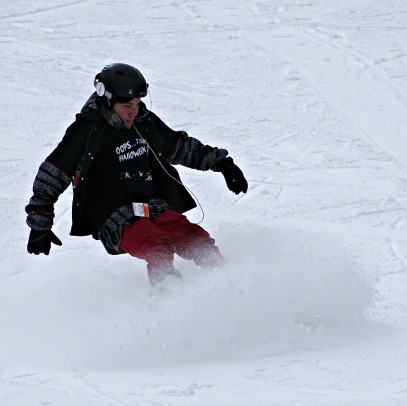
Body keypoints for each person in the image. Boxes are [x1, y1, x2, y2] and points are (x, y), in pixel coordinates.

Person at [25, 63, 248, 284]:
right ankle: (168, 301)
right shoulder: (86, 130)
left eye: (138, 104)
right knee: (157, 245)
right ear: (107, 101)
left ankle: (228, 285)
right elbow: (51, 175)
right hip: (110, 214)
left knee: (196, 239)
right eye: (127, 105)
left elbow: (178, 147)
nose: (134, 111)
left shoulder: (143, 121)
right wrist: (40, 225)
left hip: (148, 206)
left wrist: (223, 165)